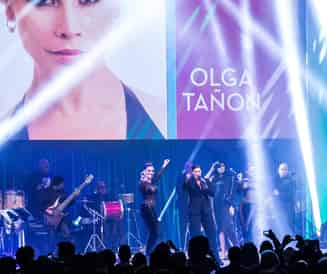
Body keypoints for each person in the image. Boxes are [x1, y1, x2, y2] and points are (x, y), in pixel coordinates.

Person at [1, 0, 163, 140]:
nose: (70, 29)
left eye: (89, 0)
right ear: (10, 11)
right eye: (45, 1)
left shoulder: (166, 120)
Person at [184, 164, 220, 264]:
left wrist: (205, 185)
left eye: (199, 171)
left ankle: (216, 257)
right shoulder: (189, 181)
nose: (198, 173)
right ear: (192, 173)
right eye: (195, 172)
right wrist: (197, 182)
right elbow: (189, 188)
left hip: (206, 211)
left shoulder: (205, 180)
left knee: (212, 233)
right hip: (194, 211)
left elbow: (212, 193)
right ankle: (196, 259)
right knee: (196, 235)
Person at [139, 159, 170, 255]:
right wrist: (145, 178)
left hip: (151, 209)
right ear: (144, 172)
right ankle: (149, 252)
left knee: (155, 231)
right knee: (155, 231)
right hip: (146, 209)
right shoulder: (142, 183)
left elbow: (158, 175)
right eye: (149, 171)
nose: (151, 173)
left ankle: (150, 251)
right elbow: (147, 188)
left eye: (152, 171)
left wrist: (164, 165)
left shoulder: (151, 181)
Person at [209, 161, 238, 256]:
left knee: (229, 228)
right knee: (220, 229)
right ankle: (223, 252)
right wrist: (212, 168)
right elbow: (206, 181)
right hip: (217, 206)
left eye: (223, 166)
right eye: (219, 167)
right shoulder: (214, 178)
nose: (222, 168)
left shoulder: (229, 177)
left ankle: (237, 247)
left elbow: (232, 192)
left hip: (226, 205)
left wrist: (231, 206)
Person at [273, 162, 296, 234]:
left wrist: (278, 193)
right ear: (278, 170)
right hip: (277, 205)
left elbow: (291, 193)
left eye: (285, 169)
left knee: (289, 221)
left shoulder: (290, 180)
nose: (284, 171)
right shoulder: (274, 180)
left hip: (288, 205)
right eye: (282, 169)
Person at [175, 161, 192, 250]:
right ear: (185, 168)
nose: (189, 168)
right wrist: (186, 181)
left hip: (193, 206)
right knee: (183, 226)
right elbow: (178, 190)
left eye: (190, 166)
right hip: (183, 206)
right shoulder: (180, 177)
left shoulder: (195, 177)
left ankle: (193, 246)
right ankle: (183, 246)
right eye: (187, 166)